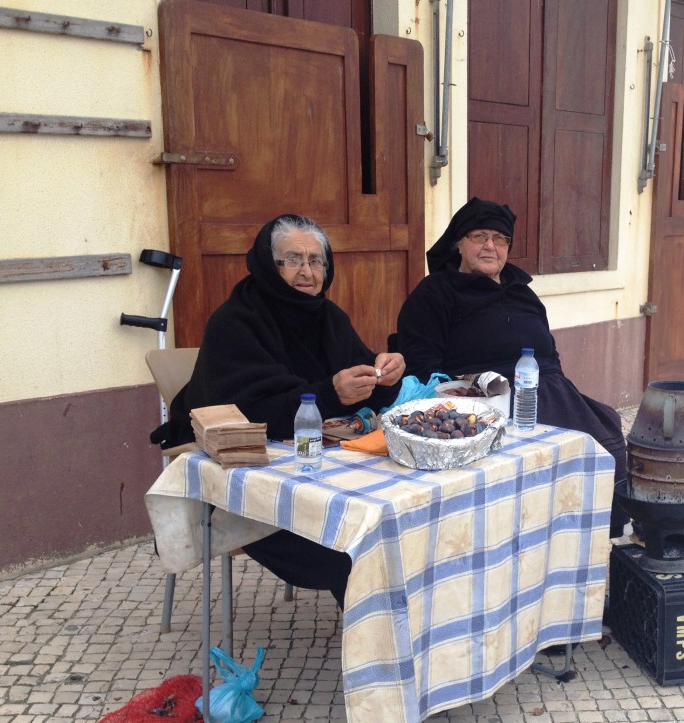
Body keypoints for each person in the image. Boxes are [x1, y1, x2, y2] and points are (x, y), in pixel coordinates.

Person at [151, 213, 405, 607]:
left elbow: (360, 388)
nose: (307, 272)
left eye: (316, 261)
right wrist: (331, 393)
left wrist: (385, 376)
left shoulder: (329, 318)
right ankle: (377, 656)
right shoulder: (235, 323)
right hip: (250, 482)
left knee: (398, 520)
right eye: (293, 260)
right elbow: (254, 413)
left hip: (320, 466)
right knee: (353, 547)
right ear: (270, 265)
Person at [396, 197, 629, 537]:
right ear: (459, 243)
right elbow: (424, 367)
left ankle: (580, 545)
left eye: (500, 239)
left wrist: (564, 393)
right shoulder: (434, 294)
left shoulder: (522, 292)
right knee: (530, 474)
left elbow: (550, 353)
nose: (490, 246)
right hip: (484, 404)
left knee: (605, 441)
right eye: (479, 236)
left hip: (547, 393)